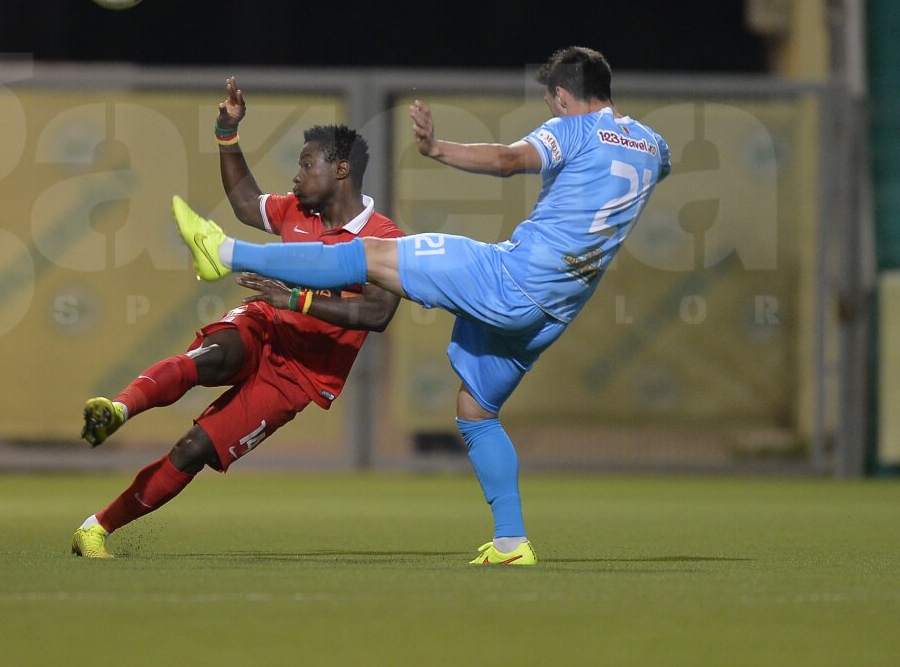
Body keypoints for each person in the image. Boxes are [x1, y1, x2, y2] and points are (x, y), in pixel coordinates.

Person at [173, 46, 671, 566]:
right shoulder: (652, 145)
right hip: (552, 312)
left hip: (508, 279)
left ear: (564, 96)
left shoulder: (577, 128)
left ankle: (224, 252)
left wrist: (438, 149)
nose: (551, 113)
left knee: (368, 256)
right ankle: (510, 543)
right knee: (476, 411)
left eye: (551, 104)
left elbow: (507, 159)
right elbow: (655, 167)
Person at [72, 77, 404, 559]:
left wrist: (298, 301)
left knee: (193, 450)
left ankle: (95, 529)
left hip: (300, 377)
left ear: (341, 170)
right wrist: (227, 133)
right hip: (265, 324)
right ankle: (118, 410)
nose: (296, 177)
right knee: (213, 356)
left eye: (306, 165)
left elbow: (377, 312)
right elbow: (247, 204)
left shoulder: (384, 238)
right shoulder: (298, 211)